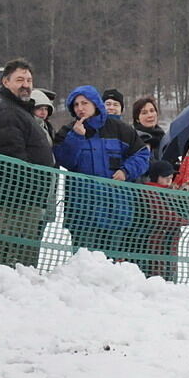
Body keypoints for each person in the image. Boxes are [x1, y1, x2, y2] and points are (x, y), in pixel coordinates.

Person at [53, 85, 150, 255]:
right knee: (83, 262)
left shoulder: (120, 129)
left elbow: (142, 155)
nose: (80, 108)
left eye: (84, 103)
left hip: (116, 210)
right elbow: (64, 160)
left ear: (96, 103)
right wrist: (76, 137)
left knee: (110, 263)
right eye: (76, 105)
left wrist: (126, 171)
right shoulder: (68, 131)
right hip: (83, 213)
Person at [0, 59, 55, 270]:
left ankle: (12, 283)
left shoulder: (15, 107)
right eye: (20, 80)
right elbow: (12, 158)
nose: (26, 85)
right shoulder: (6, 110)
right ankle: (7, 286)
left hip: (23, 197)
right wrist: (33, 186)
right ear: (5, 81)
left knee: (18, 251)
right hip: (15, 199)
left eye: (29, 80)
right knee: (15, 252)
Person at [140, 159, 189, 280]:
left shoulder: (168, 192)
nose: (169, 179)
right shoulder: (150, 191)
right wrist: (182, 220)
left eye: (171, 177)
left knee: (167, 267)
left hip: (168, 240)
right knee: (156, 268)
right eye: (165, 176)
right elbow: (160, 214)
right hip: (155, 239)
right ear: (156, 176)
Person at [132, 96, 165, 161]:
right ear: (137, 119)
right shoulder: (134, 140)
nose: (150, 115)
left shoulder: (163, 137)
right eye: (144, 113)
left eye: (152, 111)